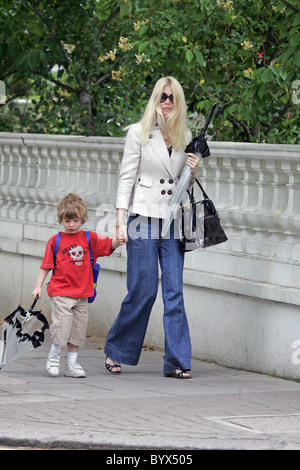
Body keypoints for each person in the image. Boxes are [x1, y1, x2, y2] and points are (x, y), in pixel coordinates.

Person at [104, 76, 200, 379]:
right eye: (163, 96)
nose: (167, 102)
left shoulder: (185, 135)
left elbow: (182, 184)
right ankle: (116, 349)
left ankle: (177, 360)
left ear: (179, 101)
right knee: (143, 290)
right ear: (155, 100)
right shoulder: (138, 133)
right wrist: (120, 221)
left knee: (174, 291)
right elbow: (126, 178)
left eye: (172, 97)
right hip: (143, 219)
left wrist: (194, 170)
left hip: (172, 222)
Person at [32, 193, 120, 378]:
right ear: (61, 220)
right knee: (62, 325)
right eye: (67, 220)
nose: (71, 225)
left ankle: (71, 363)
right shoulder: (55, 241)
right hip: (61, 292)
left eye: (75, 220)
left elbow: (109, 244)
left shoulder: (90, 239)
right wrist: (38, 286)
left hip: (83, 294)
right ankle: (54, 357)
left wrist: (119, 240)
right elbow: (46, 266)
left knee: (78, 329)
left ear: (82, 219)